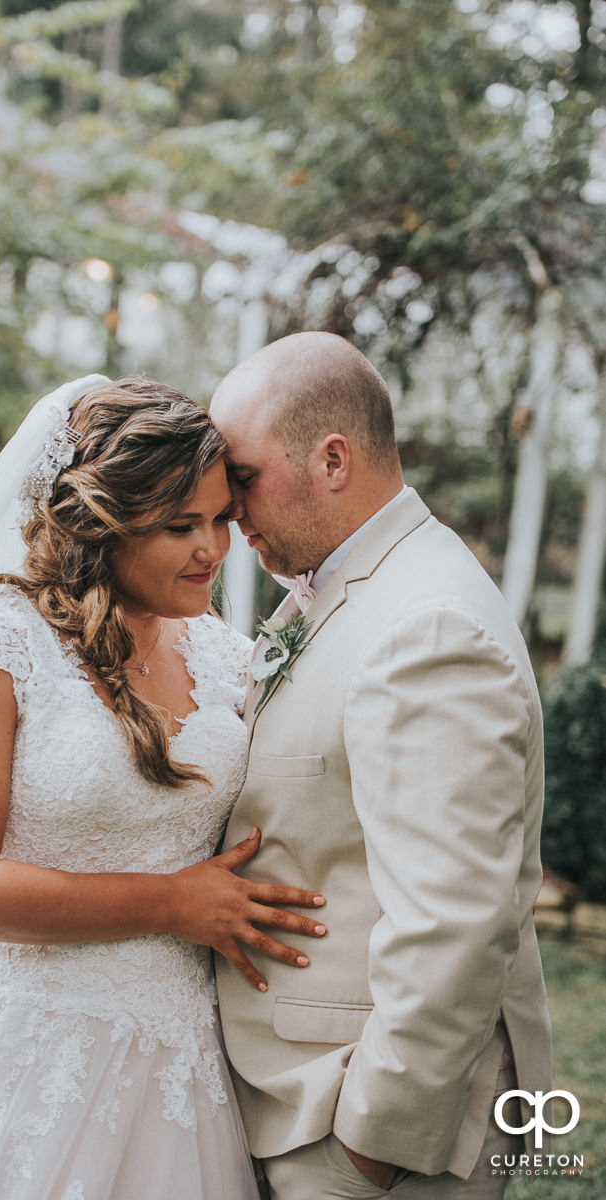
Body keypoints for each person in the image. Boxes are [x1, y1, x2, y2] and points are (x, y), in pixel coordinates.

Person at [0, 375, 330, 1200]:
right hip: (1, 1056)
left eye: (221, 519)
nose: (213, 551)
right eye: (177, 527)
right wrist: (171, 904)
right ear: (99, 526)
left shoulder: (221, 653)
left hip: (172, 1065)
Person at [209, 332, 552, 1199]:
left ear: (332, 459)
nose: (224, 504)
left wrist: (368, 1147)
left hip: (362, 1126)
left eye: (241, 476)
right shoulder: (356, 587)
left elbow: (456, 921)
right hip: (302, 1090)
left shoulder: (424, 628)